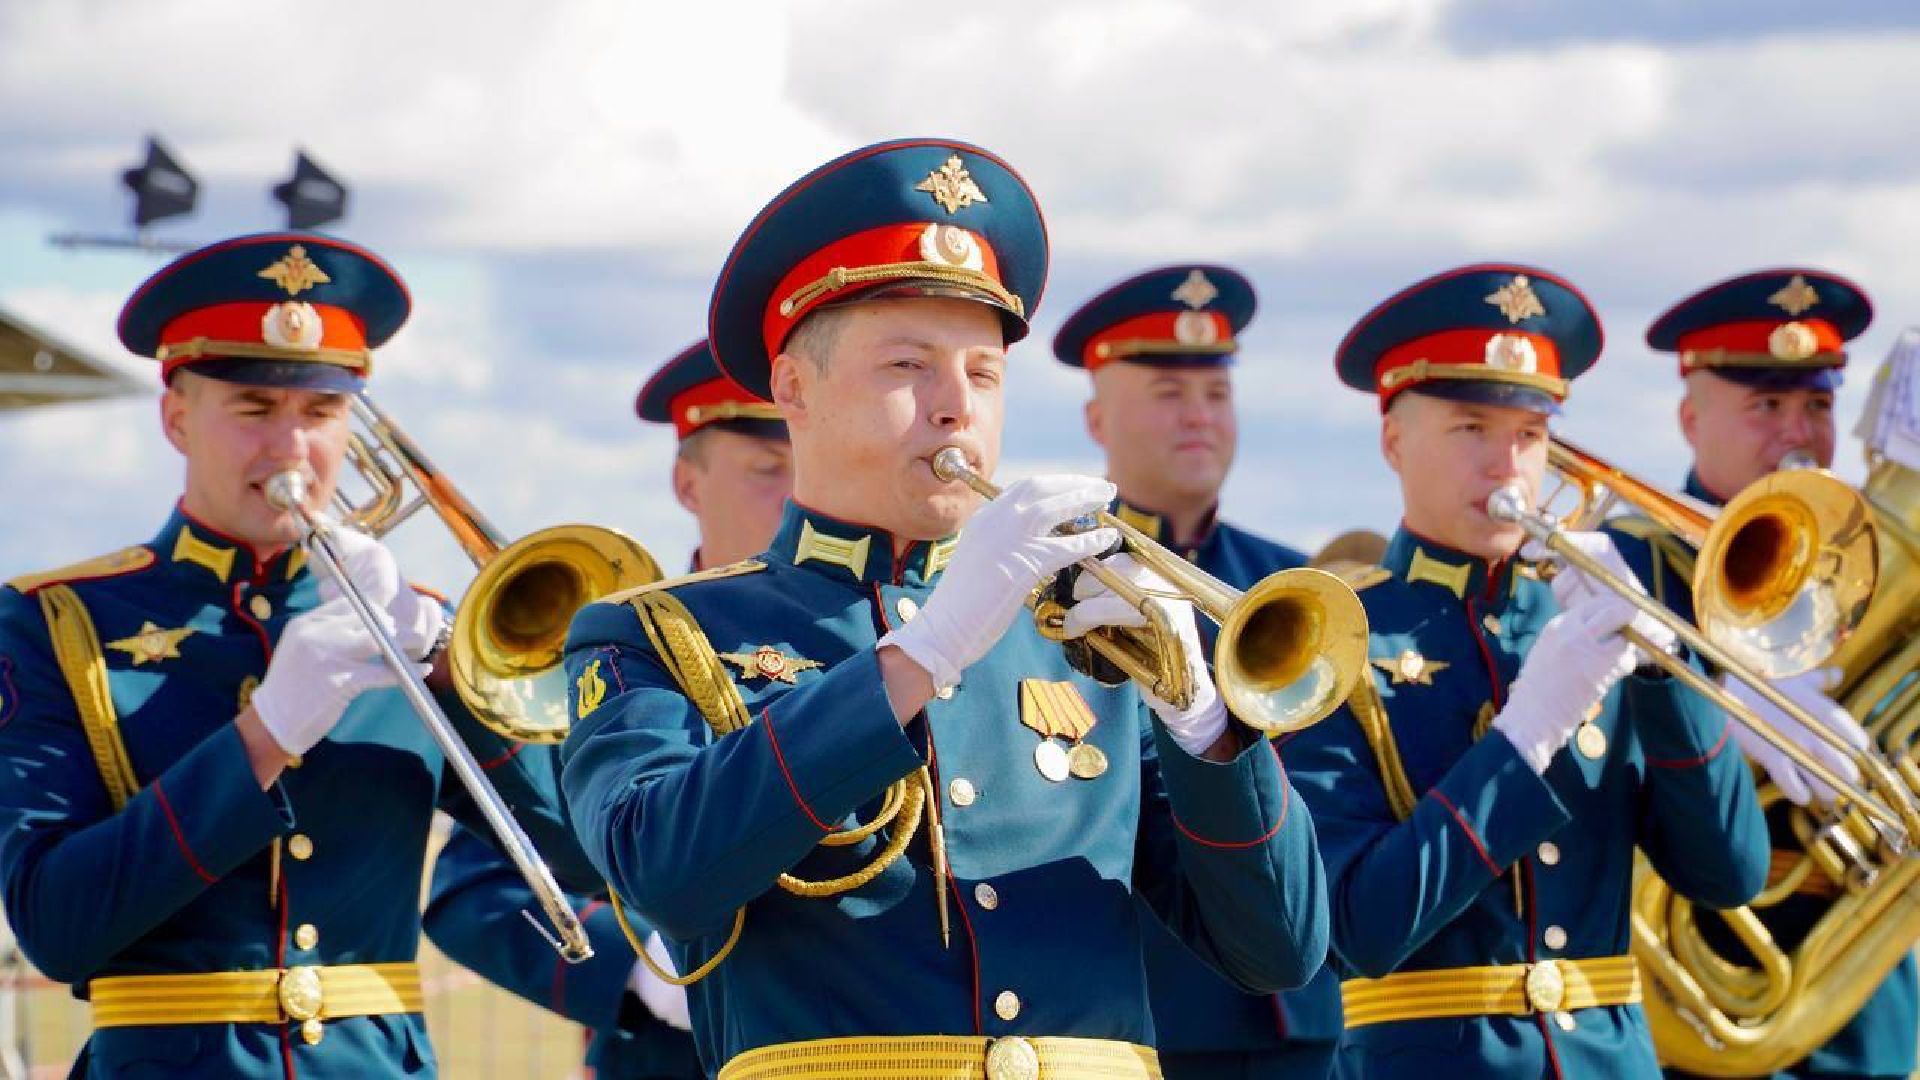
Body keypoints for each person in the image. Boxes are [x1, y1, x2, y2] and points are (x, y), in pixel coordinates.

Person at [560, 138, 1330, 1080]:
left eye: (983, 373)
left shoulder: (1088, 640)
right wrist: (920, 654)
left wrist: (1208, 726)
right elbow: (667, 877)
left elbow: (1279, 951)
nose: (955, 406)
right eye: (908, 366)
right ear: (793, 388)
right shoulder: (655, 635)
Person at [0, 233, 595, 1077]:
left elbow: (584, 858)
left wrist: (457, 685)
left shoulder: (413, 627)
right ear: (176, 417)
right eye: (253, 409)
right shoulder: (57, 621)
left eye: (320, 414)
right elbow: (55, 927)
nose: (292, 449)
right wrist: (262, 738)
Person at [1282, 263, 1770, 1077]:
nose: (1507, 465)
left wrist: (1663, 675)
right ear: (1393, 441)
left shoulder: (1588, 626)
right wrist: (1523, 739)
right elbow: (1356, 929)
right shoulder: (1330, 638)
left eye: (1530, 436)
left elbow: (1728, 873)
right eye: (1471, 429)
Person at [424, 339, 788, 1080]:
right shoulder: (596, 659)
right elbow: (477, 893)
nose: (797, 494)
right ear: (688, 483)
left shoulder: (875, 644)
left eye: (812, 466)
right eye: (767, 470)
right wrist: (635, 971)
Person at [1613, 268, 1906, 1080]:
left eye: (1817, 406)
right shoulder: (1627, 562)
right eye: (1765, 407)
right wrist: (1719, 699)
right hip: (1690, 987)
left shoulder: (1869, 569)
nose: (1799, 435)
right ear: (1689, 418)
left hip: (1859, 1001)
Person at [1053, 265, 1337, 1077]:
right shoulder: (1062, 588)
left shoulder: (1294, 585)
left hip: (1302, 1014)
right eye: (1169, 393)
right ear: (1096, 418)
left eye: (1216, 395)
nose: (1199, 418)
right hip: (1156, 1005)